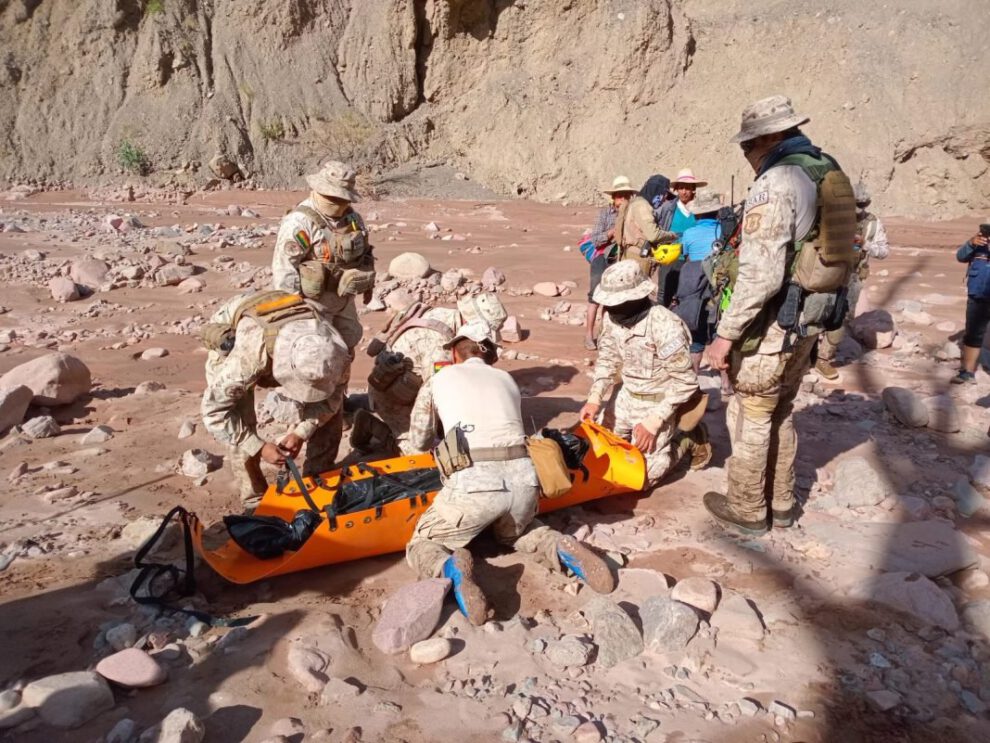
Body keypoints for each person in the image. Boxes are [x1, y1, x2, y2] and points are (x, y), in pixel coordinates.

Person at [706, 94, 857, 536]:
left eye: (747, 145)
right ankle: (782, 502)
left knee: (752, 411)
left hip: (774, 323)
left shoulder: (777, 182)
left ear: (768, 138)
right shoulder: (826, 170)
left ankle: (748, 508)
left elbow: (761, 274)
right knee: (782, 409)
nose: (746, 154)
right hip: (809, 319)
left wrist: (725, 336)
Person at [404, 322, 615, 625]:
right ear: (490, 355)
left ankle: (448, 567)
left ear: (454, 353)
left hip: (474, 485)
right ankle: (557, 546)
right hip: (524, 481)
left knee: (423, 543)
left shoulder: (439, 379)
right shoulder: (506, 380)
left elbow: (419, 441)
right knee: (519, 532)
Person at [200, 290, 349, 508]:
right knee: (239, 417)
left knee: (332, 408)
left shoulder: (334, 353)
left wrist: (301, 432)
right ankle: (254, 500)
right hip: (237, 331)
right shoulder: (246, 362)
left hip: (288, 319)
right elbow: (214, 413)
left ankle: (319, 475)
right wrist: (258, 447)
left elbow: (332, 399)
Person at [579, 262, 712, 487]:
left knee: (640, 478)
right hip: (626, 396)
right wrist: (594, 398)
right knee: (599, 456)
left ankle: (686, 439)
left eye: (616, 303)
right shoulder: (612, 319)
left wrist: (653, 422)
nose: (610, 309)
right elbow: (608, 360)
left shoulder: (666, 326)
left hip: (658, 403)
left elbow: (686, 383)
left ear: (635, 297)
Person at [361, 292, 508, 454]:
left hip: (408, 384)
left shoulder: (446, 316)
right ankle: (371, 425)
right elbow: (432, 395)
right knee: (423, 456)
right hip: (390, 398)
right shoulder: (439, 347)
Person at [271, 159, 375, 352]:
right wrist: (293, 311)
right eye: (333, 198)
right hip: (312, 304)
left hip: (344, 301)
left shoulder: (353, 219)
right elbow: (285, 268)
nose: (339, 204)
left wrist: (369, 285)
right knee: (318, 353)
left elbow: (365, 253)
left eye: (343, 199)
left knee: (347, 344)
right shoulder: (299, 222)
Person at [815, 181, 890, 379]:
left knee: (842, 316)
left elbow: (883, 252)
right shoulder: (832, 217)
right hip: (827, 272)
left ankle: (824, 358)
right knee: (817, 311)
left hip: (853, 277)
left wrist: (865, 245)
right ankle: (809, 351)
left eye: (861, 204)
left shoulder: (873, 224)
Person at [672, 188, 733, 395]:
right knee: (720, 333)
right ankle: (726, 383)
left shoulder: (689, 234)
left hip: (695, 294)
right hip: (721, 292)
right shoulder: (726, 233)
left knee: (696, 338)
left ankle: (692, 384)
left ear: (697, 214)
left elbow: (684, 256)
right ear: (717, 212)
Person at [605, 175, 678, 277]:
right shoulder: (642, 206)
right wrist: (672, 235)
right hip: (638, 258)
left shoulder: (635, 203)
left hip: (629, 256)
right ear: (657, 192)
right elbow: (653, 235)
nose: (664, 200)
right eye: (664, 195)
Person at [656, 169, 707, 306]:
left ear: (693, 189)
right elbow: (655, 224)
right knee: (664, 295)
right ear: (676, 189)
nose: (684, 192)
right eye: (681, 188)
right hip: (671, 258)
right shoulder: (668, 208)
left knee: (688, 297)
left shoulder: (700, 209)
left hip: (692, 260)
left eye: (688, 188)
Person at [952, 225, 990, 384]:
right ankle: (967, 372)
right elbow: (960, 256)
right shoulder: (977, 244)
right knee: (973, 333)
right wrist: (971, 243)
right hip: (977, 294)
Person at [584, 199, 618, 350]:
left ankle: (604, 335)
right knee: (595, 298)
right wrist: (611, 232)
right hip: (600, 259)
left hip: (618, 260)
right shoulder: (604, 213)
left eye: (626, 195)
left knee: (611, 300)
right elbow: (596, 240)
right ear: (614, 198)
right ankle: (588, 336)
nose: (623, 199)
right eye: (620, 196)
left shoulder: (630, 214)